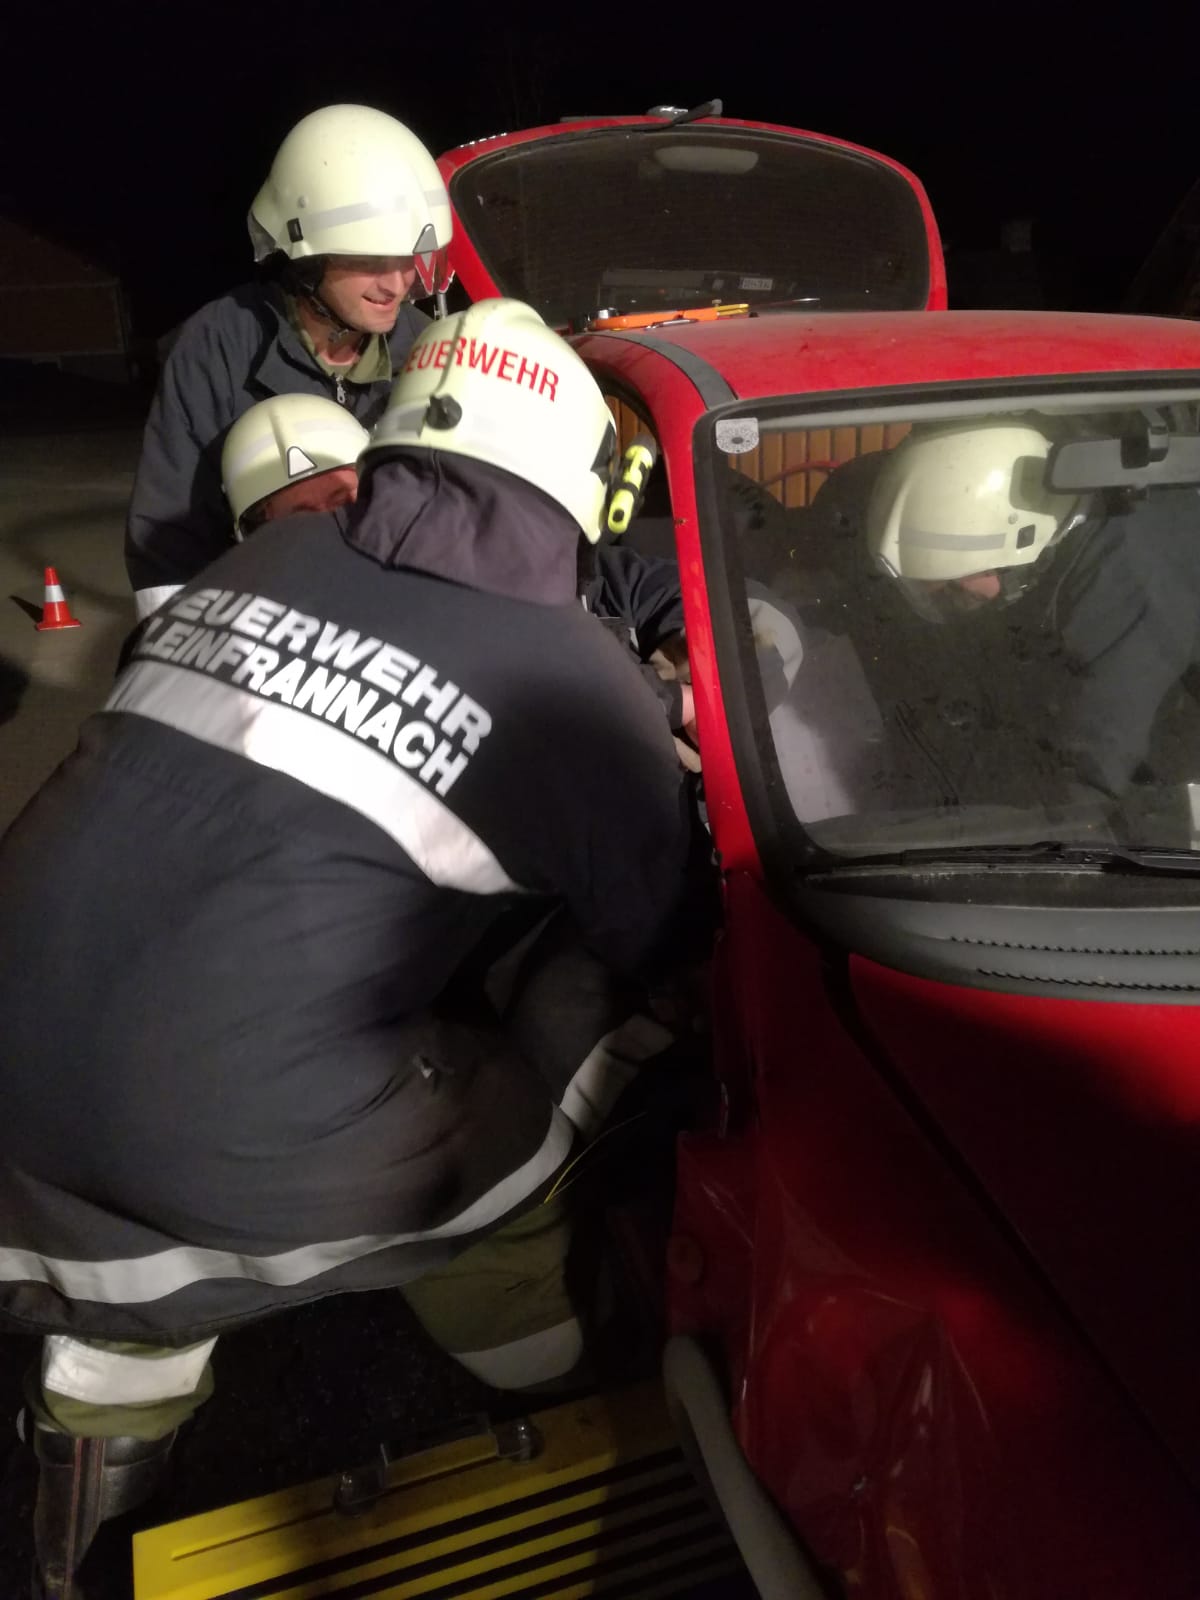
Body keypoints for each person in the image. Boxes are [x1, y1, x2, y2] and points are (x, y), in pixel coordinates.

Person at [0, 298, 715, 1597]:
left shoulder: (259, 562)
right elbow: (658, 924)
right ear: (584, 481)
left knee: (136, 1232)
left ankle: (90, 1468)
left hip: (18, 1075)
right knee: (572, 1036)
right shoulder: (579, 681)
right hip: (232, 1137)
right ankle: (541, 1355)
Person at [125, 103, 453, 621]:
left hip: (400, 620)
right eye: (369, 261)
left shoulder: (427, 350)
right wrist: (180, 650)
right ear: (307, 258)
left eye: (406, 259)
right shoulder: (220, 346)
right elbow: (168, 540)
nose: (396, 284)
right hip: (258, 620)